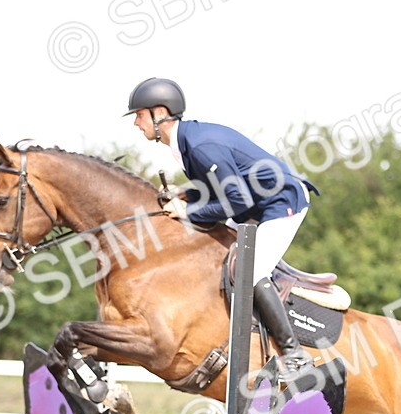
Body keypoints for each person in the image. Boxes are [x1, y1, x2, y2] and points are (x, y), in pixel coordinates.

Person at [125, 76, 317, 377]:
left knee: (250, 271)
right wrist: (184, 194)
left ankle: (295, 356)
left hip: (281, 203)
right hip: (255, 203)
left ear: (159, 112)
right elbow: (216, 190)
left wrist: (187, 210)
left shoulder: (200, 145)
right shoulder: (186, 142)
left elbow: (235, 202)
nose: (136, 123)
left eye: (139, 115)